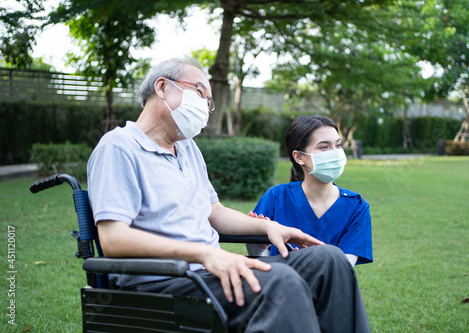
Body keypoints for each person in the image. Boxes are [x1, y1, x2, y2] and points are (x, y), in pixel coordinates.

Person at [87, 58, 371, 332]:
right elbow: (114, 239)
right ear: (162, 87)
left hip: (205, 275)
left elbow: (215, 212)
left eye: (208, 101)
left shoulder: (187, 149)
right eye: (200, 92)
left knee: (329, 260)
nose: (205, 106)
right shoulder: (119, 147)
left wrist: (269, 226)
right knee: (279, 281)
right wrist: (205, 253)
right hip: (162, 284)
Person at [248, 115, 373, 267]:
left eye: (338, 145)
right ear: (299, 157)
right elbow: (258, 258)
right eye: (324, 147)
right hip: (279, 286)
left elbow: (343, 269)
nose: (335, 153)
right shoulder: (275, 198)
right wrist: (260, 241)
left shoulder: (357, 207)